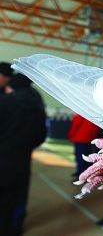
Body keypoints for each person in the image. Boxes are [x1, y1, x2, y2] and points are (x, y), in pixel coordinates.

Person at [0, 73, 47, 235]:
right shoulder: (36, 104)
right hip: (20, 161)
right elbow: (41, 135)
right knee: (12, 204)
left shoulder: (5, 102)